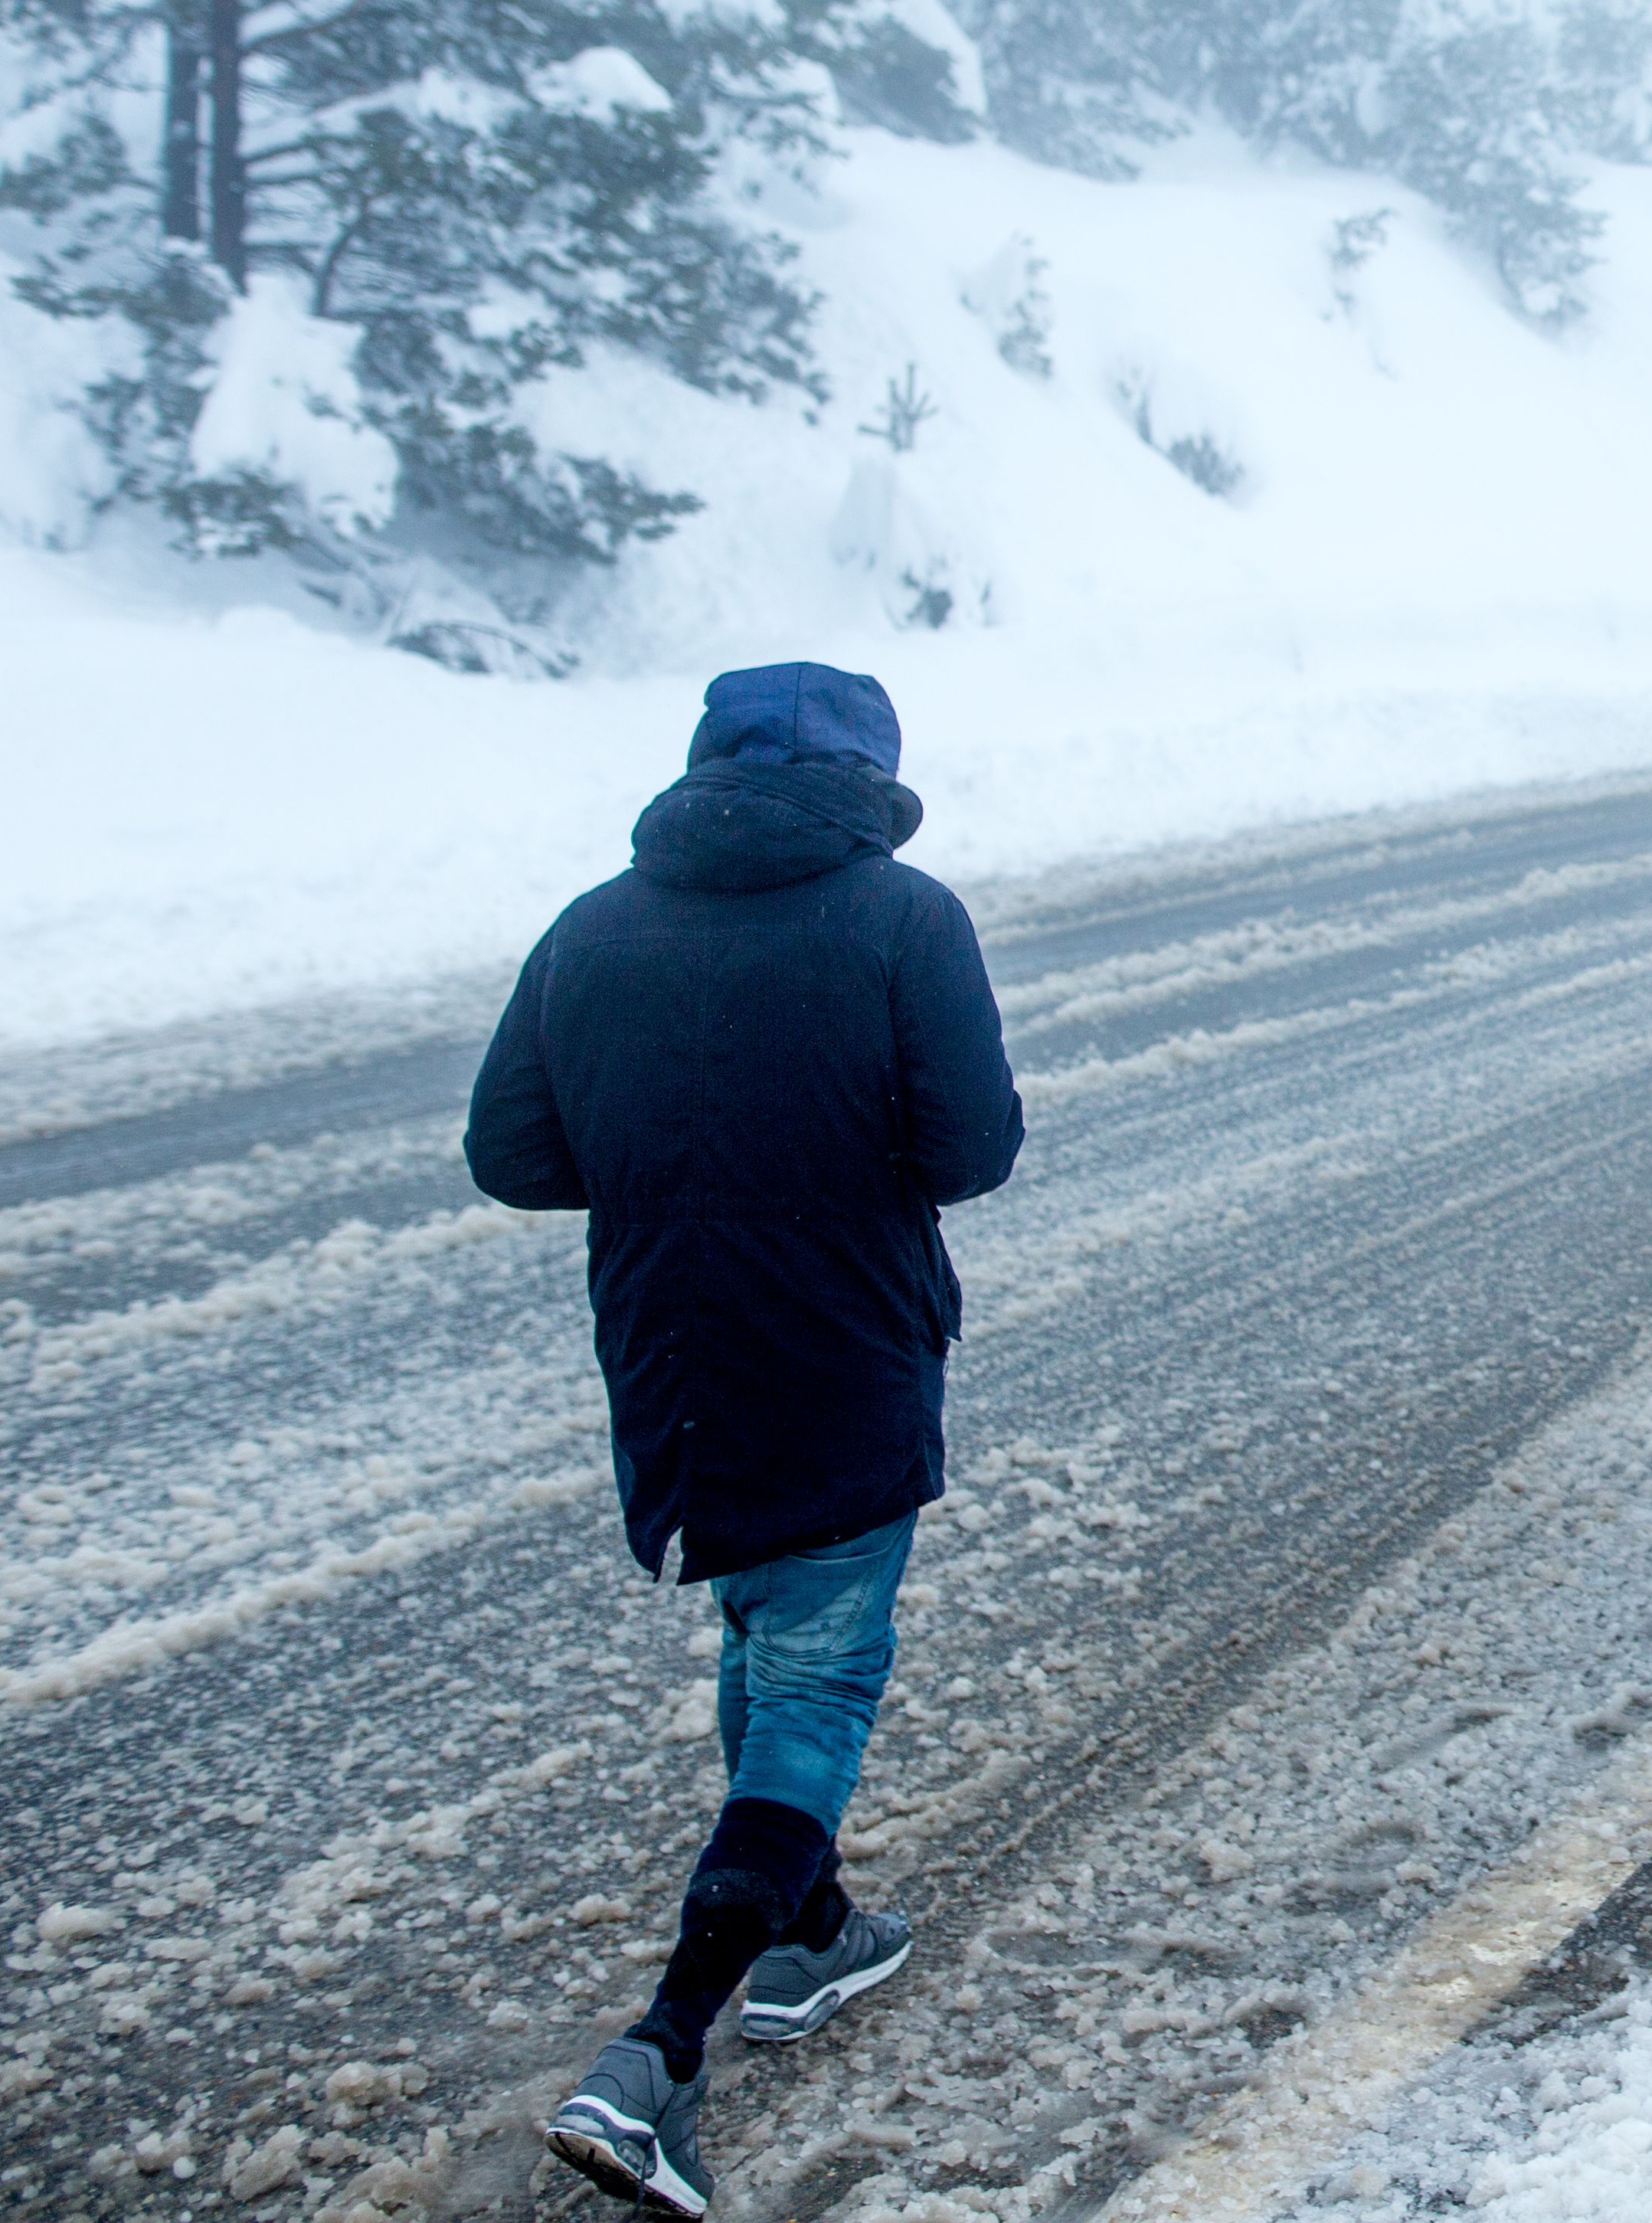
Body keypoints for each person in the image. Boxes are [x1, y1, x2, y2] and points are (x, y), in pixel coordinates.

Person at [466, 663, 1023, 2218]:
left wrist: (675, 1168)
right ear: (872, 771)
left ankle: (810, 1927)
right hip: (843, 1347)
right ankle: (659, 2056)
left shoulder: (594, 925)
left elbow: (508, 1150)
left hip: (669, 1357)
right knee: (820, 1676)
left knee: (762, 1623)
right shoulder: (904, 920)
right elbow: (972, 1146)